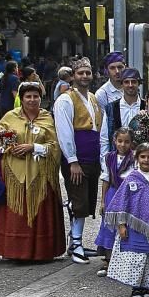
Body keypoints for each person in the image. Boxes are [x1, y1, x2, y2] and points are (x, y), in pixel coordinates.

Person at [0, 81, 66, 261]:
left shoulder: (48, 118)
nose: (32, 100)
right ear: (22, 98)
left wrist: (33, 147)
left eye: (35, 96)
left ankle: (41, 252)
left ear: (40, 98)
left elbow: (56, 147)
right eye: (28, 96)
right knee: (14, 216)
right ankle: (14, 251)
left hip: (41, 176)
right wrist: (11, 147)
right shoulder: (9, 117)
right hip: (14, 175)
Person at [53, 59, 102, 263]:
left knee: (87, 198)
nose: (84, 76)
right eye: (80, 73)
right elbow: (64, 132)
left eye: (87, 73)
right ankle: (76, 244)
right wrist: (72, 160)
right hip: (77, 158)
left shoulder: (92, 98)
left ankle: (77, 242)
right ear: (73, 76)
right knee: (78, 199)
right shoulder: (65, 100)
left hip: (93, 157)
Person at [104, 142, 149, 297]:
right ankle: (136, 288)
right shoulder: (132, 178)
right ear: (137, 158)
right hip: (134, 225)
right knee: (136, 255)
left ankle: (147, 286)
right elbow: (121, 202)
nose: (146, 160)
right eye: (142, 157)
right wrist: (121, 224)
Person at [94, 127, 136, 276]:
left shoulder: (134, 159)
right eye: (120, 141)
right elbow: (105, 179)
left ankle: (125, 259)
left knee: (126, 226)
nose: (122, 145)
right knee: (109, 225)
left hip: (127, 195)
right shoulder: (109, 157)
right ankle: (108, 259)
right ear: (114, 141)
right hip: (112, 193)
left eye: (126, 142)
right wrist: (103, 201)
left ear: (131, 143)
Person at [100, 68, 143, 158]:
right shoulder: (111, 108)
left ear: (139, 84)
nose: (130, 85)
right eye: (127, 82)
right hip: (116, 160)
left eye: (134, 82)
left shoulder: (147, 106)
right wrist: (105, 163)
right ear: (122, 84)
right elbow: (104, 139)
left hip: (141, 161)